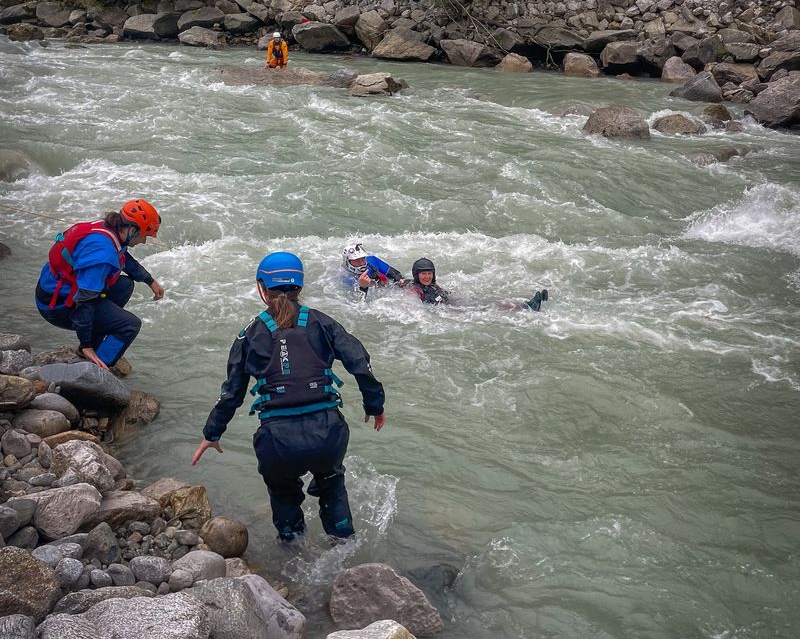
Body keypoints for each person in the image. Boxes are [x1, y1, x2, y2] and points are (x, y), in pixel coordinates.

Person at [192, 251, 385, 543]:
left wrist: (212, 433)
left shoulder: (249, 333)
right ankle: (346, 549)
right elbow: (360, 361)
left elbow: (232, 392)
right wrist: (375, 404)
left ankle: (290, 550)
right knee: (332, 485)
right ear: (300, 286)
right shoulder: (322, 322)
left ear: (262, 288)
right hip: (328, 434)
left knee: (283, 493)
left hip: (277, 441)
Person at [35, 199, 164, 370]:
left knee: (125, 285)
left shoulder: (109, 230)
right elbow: (85, 301)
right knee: (130, 325)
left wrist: (150, 281)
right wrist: (86, 345)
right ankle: (97, 368)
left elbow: (123, 258)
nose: (144, 241)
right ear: (132, 230)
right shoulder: (102, 254)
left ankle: (95, 344)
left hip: (55, 290)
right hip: (56, 306)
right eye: (145, 235)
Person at [401, 257, 548, 311]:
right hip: (448, 312)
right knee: (485, 309)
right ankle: (527, 307)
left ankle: (526, 305)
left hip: (451, 304)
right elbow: (411, 306)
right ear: (416, 275)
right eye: (423, 274)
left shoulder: (434, 284)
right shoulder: (414, 289)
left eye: (429, 273)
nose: (427, 277)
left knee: (486, 303)